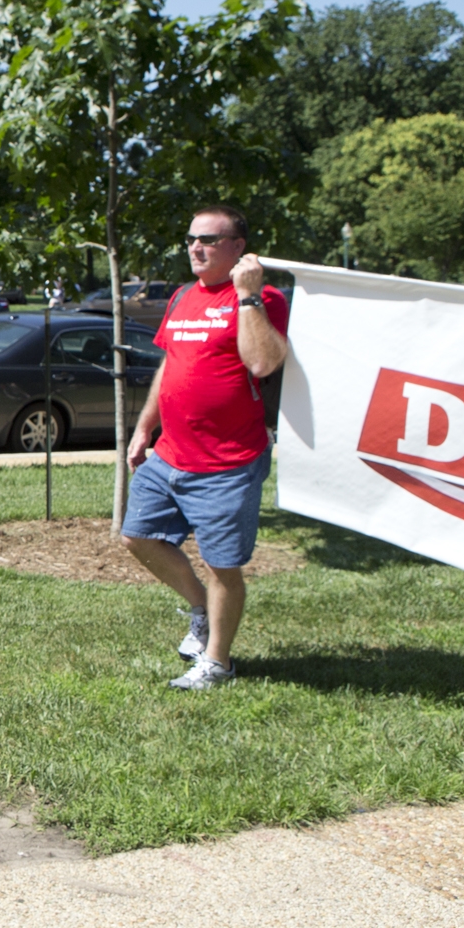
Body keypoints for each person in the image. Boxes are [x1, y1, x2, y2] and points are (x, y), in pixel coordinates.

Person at [122, 205, 291, 691]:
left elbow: (262, 363)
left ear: (239, 248)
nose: (196, 247)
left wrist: (247, 297)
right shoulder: (181, 297)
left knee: (223, 566)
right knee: (137, 537)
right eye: (192, 238)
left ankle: (217, 661)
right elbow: (169, 366)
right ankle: (200, 609)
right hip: (171, 453)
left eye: (210, 240)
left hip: (228, 462)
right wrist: (144, 427)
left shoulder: (265, 299)